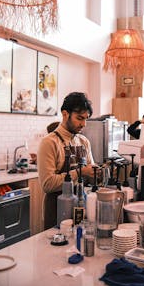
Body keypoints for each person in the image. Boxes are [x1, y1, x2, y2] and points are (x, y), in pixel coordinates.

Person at [37, 92, 95, 229]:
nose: (84, 124)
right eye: (80, 118)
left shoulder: (83, 141)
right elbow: (48, 184)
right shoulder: (49, 143)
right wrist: (81, 172)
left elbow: (90, 170)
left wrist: (97, 173)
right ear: (65, 114)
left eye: (86, 119)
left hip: (81, 208)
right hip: (57, 211)